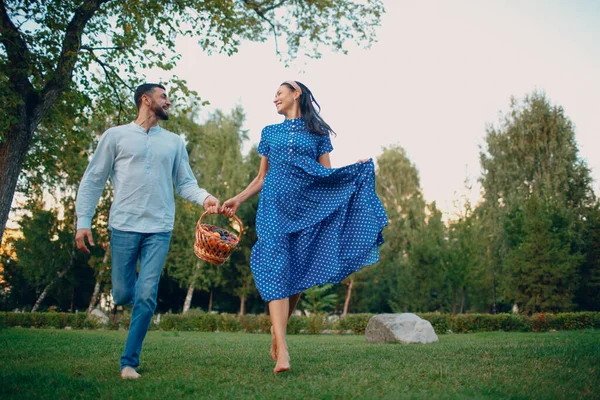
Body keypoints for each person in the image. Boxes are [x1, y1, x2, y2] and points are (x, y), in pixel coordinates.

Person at [221, 80, 388, 374]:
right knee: (275, 265)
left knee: (295, 270)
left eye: (279, 93)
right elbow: (261, 177)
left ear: (296, 93)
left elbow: (326, 174)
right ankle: (283, 349)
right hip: (273, 207)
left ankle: (278, 331)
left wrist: (354, 170)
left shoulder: (317, 133)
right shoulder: (269, 132)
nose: (274, 98)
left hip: (306, 208)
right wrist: (238, 198)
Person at [75, 83, 220, 379]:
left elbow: (185, 183)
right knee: (123, 293)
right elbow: (93, 180)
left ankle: (129, 362)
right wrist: (83, 221)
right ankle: (128, 294)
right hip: (124, 226)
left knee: (146, 295)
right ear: (146, 100)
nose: (168, 102)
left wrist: (206, 197)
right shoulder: (115, 136)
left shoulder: (174, 142)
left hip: (159, 228)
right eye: (163, 96)